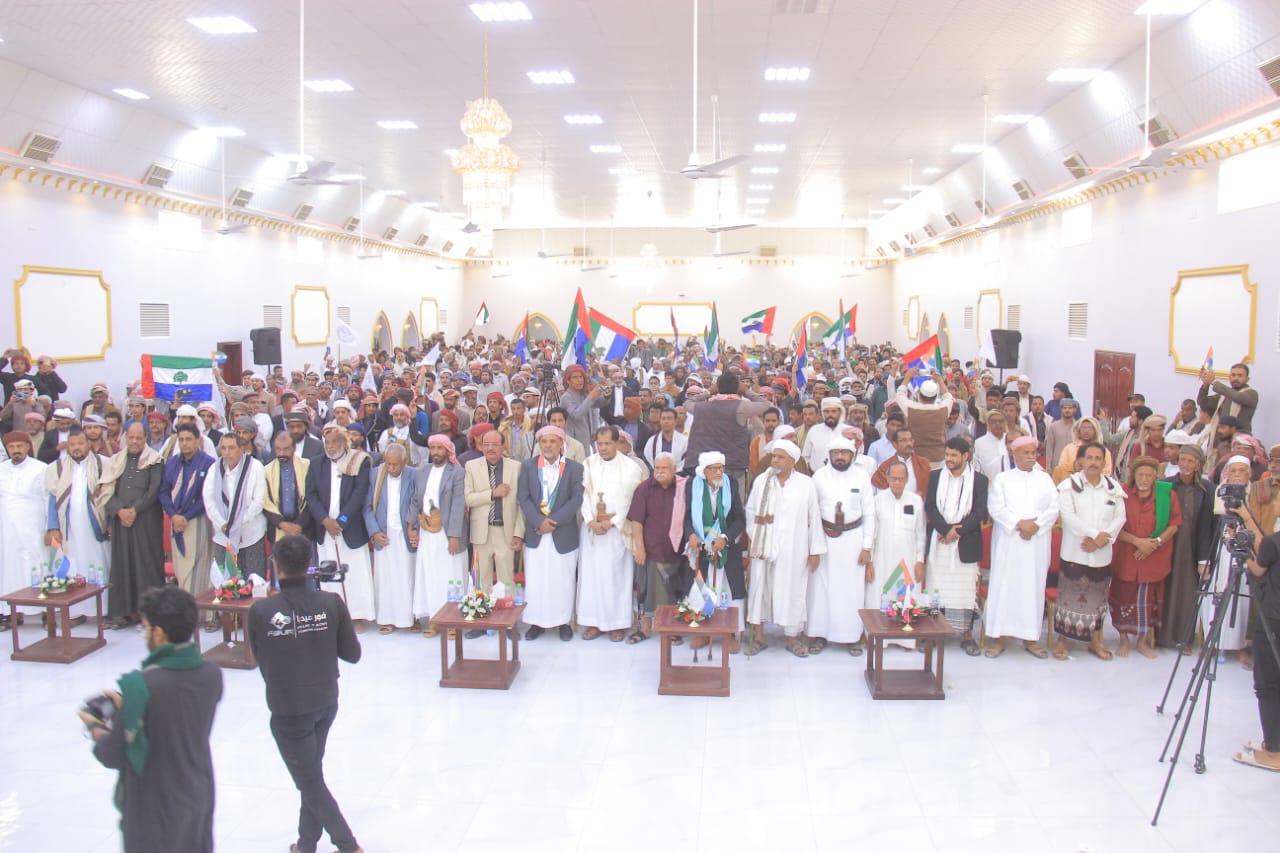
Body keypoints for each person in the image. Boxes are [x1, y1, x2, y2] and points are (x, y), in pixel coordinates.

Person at [80, 586, 222, 853]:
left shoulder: (142, 686)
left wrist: (94, 725)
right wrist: (128, 707)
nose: (145, 635)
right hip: (197, 792)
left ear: (158, 633)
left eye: (145, 628)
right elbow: (177, 710)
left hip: (155, 805)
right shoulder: (211, 674)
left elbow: (112, 754)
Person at [247, 535, 364, 853]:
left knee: (310, 780)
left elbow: (260, 659)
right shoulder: (331, 603)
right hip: (325, 702)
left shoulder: (261, 611)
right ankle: (306, 844)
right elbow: (352, 654)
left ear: (276, 566)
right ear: (309, 563)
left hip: (288, 708)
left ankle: (349, 846)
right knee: (311, 774)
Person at [744, 440, 826, 657]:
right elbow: (751, 511)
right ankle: (758, 638)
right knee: (760, 588)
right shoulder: (762, 481)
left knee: (793, 590)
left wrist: (815, 550)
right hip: (764, 546)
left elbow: (814, 517)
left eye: (780, 457)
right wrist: (757, 537)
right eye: (774, 456)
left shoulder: (806, 484)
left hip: (794, 547)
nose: (775, 461)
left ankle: (792, 638)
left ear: (793, 461)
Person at [984, 435, 1060, 659]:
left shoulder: (1045, 479)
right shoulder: (1003, 479)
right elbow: (996, 508)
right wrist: (1020, 523)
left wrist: (1036, 525)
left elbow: (1054, 508)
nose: (1030, 457)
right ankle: (998, 638)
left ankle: (1031, 639)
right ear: (1014, 454)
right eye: (1025, 453)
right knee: (1004, 588)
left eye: (1033, 453)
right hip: (1009, 543)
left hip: (1036, 543)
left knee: (1032, 589)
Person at [1055, 442, 1126, 660]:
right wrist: (1095, 535)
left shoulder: (1113, 488)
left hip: (1101, 552)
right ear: (1080, 461)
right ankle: (1062, 641)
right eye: (1090, 458)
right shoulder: (1069, 486)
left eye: (1098, 458)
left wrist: (1104, 538)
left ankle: (1096, 641)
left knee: (1097, 600)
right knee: (1068, 598)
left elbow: (1120, 517)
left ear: (1104, 462)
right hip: (1075, 551)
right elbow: (1068, 516)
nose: (1094, 462)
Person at [807, 437, 876, 656]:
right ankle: (819, 634)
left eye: (844, 453)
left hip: (853, 540)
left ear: (852, 455)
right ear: (829, 455)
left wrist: (867, 547)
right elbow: (812, 514)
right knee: (821, 589)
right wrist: (814, 546)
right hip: (825, 540)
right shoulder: (819, 476)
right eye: (835, 453)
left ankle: (852, 636)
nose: (839, 457)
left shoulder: (862, 477)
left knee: (851, 590)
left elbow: (870, 514)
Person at [1110, 455, 1183, 659]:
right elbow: (1112, 525)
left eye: (1149, 475)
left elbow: (1174, 525)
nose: (1144, 479)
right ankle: (1124, 640)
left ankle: (1142, 642)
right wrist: (1137, 541)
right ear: (1133, 475)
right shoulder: (1122, 493)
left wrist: (1155, 543)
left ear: (1155, 477)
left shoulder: (1166, 495)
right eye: (1140, 474)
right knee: (1123, 597)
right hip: (1127, 555)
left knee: (1147, 599)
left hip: (1154, 557)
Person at [576, 425, 645, 642]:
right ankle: (593, 622)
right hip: (592, 531)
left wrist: (612, 522)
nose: (603, 448)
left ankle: (617, 624)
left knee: (616, 578)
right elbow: (583, 496)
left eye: (607, 443)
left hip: (617, 532)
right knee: (592, 578)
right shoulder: (588, 464)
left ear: (617, 443)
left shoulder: (631, 468)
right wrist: (590, 520)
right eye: (600, 443)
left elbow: (633, 501)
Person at [517, 424, 585, 641]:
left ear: (561, 444)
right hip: (536, 532)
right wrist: (539, 521)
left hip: (562, 532)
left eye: (552, 441)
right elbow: (523, 497)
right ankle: (536, 622)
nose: (548, 446)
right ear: (539, 444)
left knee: (563, 580)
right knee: (536, 580)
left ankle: (563, 622)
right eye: (544, 441)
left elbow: (576, 498)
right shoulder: (528, 466)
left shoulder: (574, 468)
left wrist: (553, 521)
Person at [924, 436, 989, 655]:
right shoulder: (935, 476)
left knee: (964, 590)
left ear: (965, 456)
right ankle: (933, 632)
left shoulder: (979, 481)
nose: (949, 459)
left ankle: (966, 635)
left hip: (965, 542)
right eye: (947, 454)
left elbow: (979, 512)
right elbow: (930, 507)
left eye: (953, 455)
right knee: (936, 587)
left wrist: (956, 532)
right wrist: (945, 530)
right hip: (940, 540)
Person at [306, 424, 375, 626]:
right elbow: (311, 495)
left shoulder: (359, 461)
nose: (330, 446)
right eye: (327, 442)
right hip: (325, 528)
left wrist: (342, 521)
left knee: (355, 574)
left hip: (350, 527)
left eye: (335, 442)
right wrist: (325, 521)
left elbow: (360, 493)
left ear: (345, 442)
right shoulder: (316, 463)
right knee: (329, 574)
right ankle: (332, 616)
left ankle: (357, 616)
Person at [1232, 496, 1280, 771]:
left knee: (1268, 683)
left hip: (1273, 619)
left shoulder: (1274, 542)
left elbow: (1260, 566)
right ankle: (1274, 740)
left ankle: (1274, 753)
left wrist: (1241, 550)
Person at [683, 451, 748, 652]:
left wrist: (725, 537)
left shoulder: (731, 484)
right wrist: (691, 534)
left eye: (721, 468)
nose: (719, 473)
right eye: (714, 469)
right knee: (702, 587)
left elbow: (739, 518)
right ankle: (701, 632)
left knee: (727, 590)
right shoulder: (692, 485)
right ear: (704, 471)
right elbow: (686, 516)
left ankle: (729, 633)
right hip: (701, 546)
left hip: (726, 546)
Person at [102, 423, 165, 628]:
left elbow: (154, 490)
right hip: (121, 522)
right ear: (126, 438)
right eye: (131, 437)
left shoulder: (154, 460)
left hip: (145, 522)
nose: (135, 442)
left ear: (145, 438)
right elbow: (106, 490)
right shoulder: (116, 461)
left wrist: (134, 510)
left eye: (139, 438)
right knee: (122, 564)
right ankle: (122, 613)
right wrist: (119, 510)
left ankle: (150, 615)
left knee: (146, 566)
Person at [1158, 445, 1215, 650]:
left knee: (1187, 593)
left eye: (1190, 461)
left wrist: (1204, 558)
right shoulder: (1165, 485)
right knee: (1164, 590)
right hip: (1166, 545)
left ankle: (1183, 639)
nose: (1185, 464)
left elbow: (1208, 525)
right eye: (1182, 459)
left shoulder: (1207, 489)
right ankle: (1160, 637)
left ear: (1198, 465)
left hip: (1191, 549)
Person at [409, 433, 466, 636]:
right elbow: (416, 500)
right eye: (432, 448)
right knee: (431, 577)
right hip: (427, 533)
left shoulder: (457, 472)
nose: (435, 452)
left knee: (450, 576)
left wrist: (454, 536)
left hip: (448, 533)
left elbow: (459, 504)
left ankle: (452, 621)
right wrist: (411, 526)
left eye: (439, 448)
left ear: (447, 450)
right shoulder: (422, 471)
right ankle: (434, 619)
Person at [627, 453, 686, 644]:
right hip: (652, 550)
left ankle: (671, 629)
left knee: (673, 591)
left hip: (678, 550)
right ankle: (645, 629)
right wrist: (640, 548)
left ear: (674, 470)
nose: (659, 472)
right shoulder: (644, 489)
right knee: (647, 590)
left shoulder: (683, 488)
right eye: (657, 468)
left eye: (664, 468)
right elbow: (637, 521)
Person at [868, 460, 927, 649]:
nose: (897, 483)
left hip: (907, 560)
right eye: (893, 478)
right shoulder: (877, 501)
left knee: (906, 596)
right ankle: (880, 638)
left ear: (907, 479)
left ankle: (905, 640)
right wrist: (869, 562)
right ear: (886, 478)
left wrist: (920, 561)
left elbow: (921, 534)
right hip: (882, 559)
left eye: (901, 479)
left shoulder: (915, 501)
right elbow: (871, 534)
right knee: (881, 595)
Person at [1201, 456, 1254, 663]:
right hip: (1221, 553)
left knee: (1241, 599)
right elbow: (1207, 526)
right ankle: (1215, 643)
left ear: (1249, 473)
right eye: (1233, 471)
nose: (1237, 475)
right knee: (1217, 594)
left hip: (1247, 552)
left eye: (1242, 471)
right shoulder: (1219, 492)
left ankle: (1239, 645)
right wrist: (1203, 560)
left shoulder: (1256, 493)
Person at [464, 429, 525, 602]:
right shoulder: (471, 466)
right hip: (481, 532)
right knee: (481, 581)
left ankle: (507, 615)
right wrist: (492, 494)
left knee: (506, 581)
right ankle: (481, 612)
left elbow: (521, 504)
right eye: (486, 444)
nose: (490, 448)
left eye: (495, 444)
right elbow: (468, 498)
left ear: (503, 446)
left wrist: (518, 533)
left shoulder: (515, 467)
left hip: (505, 531)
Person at [0, 430, 53, 627]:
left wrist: (50, 527)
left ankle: (46, 612)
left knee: (38, 566)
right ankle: (13, 612)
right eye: (12, 447)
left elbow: (48, 499)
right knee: (10, 569)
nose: (16, 450)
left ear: (27, 447)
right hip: (6, 531)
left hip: (34, 528)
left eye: (19, 446)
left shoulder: (40, 468)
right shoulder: (2, 469)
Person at [363, 443, 418, 634]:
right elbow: (367, 507)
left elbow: (417, 504)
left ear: (404, 461)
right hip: (383, 534)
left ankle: (410, 618)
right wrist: (374, 532)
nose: (391, 468)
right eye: (388, 464)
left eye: (395, 464)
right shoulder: (375, 475)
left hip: (405, 534)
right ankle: (386, 619)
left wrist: (414, 528)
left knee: (407, 577)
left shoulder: (414, 475)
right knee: (385, 579)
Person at [159, 423, 216, 601]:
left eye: (189, 439)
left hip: (198, 520)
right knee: (181, 568)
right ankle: (184, 608)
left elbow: (207, 496)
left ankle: (203, 610)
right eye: (181, 439)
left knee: (200, 568)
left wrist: (186, 516)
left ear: (198, 441)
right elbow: (163, 492)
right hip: (176, 522)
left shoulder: (208, 463)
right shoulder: (172, 463)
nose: (185, 443)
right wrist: (174, 516)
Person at [203, 430, 268, 578]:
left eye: (231, 448)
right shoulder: (214, 469)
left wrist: (236, 524)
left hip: (251, 534)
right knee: (226, 584)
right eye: (224, 448)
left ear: (241, 449)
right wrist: (222, 523)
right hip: (223, 535)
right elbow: (209, 500)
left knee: (254, 581)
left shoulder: (255, 467)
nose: (227, 452)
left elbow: (258, 501)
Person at [263, 431, 315, 545]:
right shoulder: (266, 471)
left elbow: (312, 498)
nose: (281, 453)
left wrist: (299, 525)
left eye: (286, 449)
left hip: (305, 530)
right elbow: (266, 503)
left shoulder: (307, 466)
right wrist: (282, 524)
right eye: (278, 449)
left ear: (294, 448)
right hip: (278, 529)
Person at [1198, 362, 1258, 435]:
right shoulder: (1224, 394)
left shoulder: (1252, 394)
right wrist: (1205, 384)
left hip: (1239, 437)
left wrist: (1213, 382)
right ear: (1229, 377)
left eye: (1240, 376)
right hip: (1221, 437)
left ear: (1247, 379)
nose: (1236, 378)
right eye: (1233, 375)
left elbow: (1236, 396)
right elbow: (1203, 403)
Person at [871, 427, 930, 497]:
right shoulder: (886, 466)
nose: (908, 443)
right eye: (903, 440)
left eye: (910, 440)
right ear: (894, 444)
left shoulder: (923, 464)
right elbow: (880, 492)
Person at [800, 397, 846, 474]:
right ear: (823, 413)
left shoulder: (848, 431)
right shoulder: (814, 431)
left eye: (834, 411)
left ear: (840, 412)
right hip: (817, 477)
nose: (830, 414)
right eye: (827, 411)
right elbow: (806, 456)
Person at [642, 407, 688, 472]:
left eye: (669, 418)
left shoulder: (684, 441)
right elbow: (648, 460)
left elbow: (684, 462)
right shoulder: (652, 441)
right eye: (663, 419)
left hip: (679, 475)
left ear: (675, 421)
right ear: (660, 421)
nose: (666, 421)